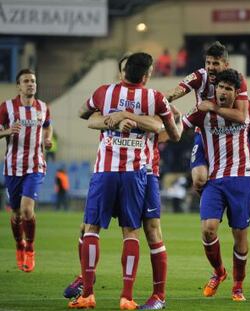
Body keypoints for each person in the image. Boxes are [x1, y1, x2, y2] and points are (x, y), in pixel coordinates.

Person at [67, 52, 182, 310]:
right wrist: (117, 120)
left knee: (91, 229)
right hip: (136, 173)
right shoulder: (154, 98)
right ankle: (127, 297)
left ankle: (87, 294)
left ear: (124, 71)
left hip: (104, 171)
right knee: (131, 232)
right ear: (146, 74)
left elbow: (83, 113)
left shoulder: (102, 93)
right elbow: (170, 133)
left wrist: (115, 116)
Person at [181, 69, 250, 301]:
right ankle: (219, 272)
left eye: (229, 88)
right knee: (208, 230)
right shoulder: (201, 111)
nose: (223, 91)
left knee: (240, 235)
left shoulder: (244, 109)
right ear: (215, 88)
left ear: (237, 92)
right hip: (215, 180)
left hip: (241, 179)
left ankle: (238, 286)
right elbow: (178, 128)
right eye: (220, 87)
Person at [165, 41, 250, 192]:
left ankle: (245, 189)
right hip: (206, 132)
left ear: (226, 64)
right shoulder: (199, 76)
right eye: (208, 62)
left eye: (216, 63)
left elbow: (241, 116)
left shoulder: (237, 79)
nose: (211, 67)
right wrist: (156, 101)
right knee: (199, 179)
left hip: (234, 131)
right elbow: (175, 92)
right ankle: (206, 200)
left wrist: (212, 106)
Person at [0, 68, 53, 273]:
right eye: (26, 81)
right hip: (13, 167)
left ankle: (30, 246)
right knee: (15, 213)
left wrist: (47, 139)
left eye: (33, 81)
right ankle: (19, 244)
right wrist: (6, 131)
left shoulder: (43, 107)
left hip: (35, 165)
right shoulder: (7, 108)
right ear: (18, 86)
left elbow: (47, 126)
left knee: (27, 210)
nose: (30, 84)